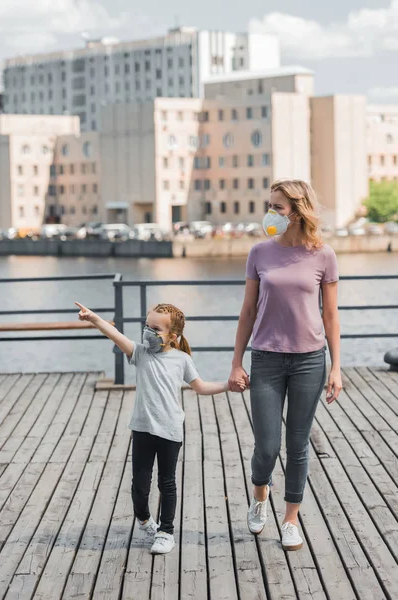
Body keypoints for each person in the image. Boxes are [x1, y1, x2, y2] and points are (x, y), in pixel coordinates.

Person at [228, 179, 342, 551]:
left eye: (277, 207)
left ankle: (290, 519)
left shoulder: (323, 255)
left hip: (310, 360)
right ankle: (260, 495)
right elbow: (246, 311)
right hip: (266, 357)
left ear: (297, 209)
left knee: (298, 445)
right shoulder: (259, 253)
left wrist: (336, 367)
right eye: (270, 205)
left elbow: (331, 315)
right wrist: (236, 362)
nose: (270, 213)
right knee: (267, 446)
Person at [75, 301, 238, 555]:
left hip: (170, 431)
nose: (148, 332)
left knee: (167, 483)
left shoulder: (181, 360)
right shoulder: (140, 353)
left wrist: (229, 385)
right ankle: (144, 520)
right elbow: (115, 334)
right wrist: (94, 318)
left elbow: (201, 387)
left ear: (173, 336)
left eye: (155, 329)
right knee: (139, 486)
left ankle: (166, 532)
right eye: (146, 326)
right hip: (142, 429)